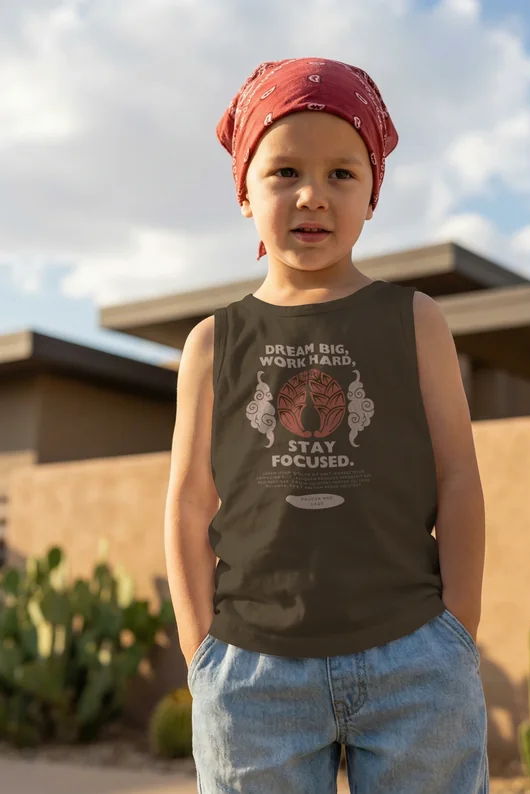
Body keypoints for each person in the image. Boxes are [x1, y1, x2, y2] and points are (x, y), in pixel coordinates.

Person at [164, 57, 488, 794]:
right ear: (243, 189)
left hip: (414, 663)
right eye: (284, 172)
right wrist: (201, 652)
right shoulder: (213, 343)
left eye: (342, 173)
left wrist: (456, 630)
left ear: (373, 192)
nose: (313, 194)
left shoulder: (417, 322)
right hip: (251, 675)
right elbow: (188, 504)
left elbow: (459, 476)